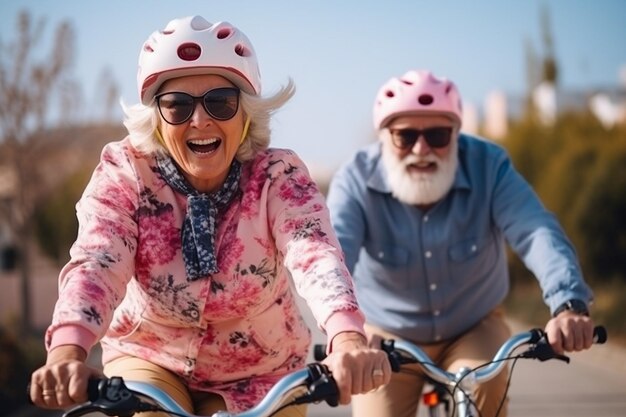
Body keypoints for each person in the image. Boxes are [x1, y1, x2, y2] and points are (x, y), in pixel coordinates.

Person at [28, 15, 391, 417]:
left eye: (220, 101)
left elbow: (315, 254)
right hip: (151, 358)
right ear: (157, 120)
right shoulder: (126, 173)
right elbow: (97, 262)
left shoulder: (277, 175)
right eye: (177, 105)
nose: (200, 120)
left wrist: (348, 341)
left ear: (245, 113)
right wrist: (67, 352)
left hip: (263, 372)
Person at [325, 69, 596, 417]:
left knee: (482, 385)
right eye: (405, 137)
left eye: (438, 135)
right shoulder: (355, 178)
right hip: (386, 335)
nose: (421, 149)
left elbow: (535, 230)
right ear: (384, 137)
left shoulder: (490, 166)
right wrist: (347, 337)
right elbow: (333, 255)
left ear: (456, 133)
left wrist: (568, 304)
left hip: (472, 326)